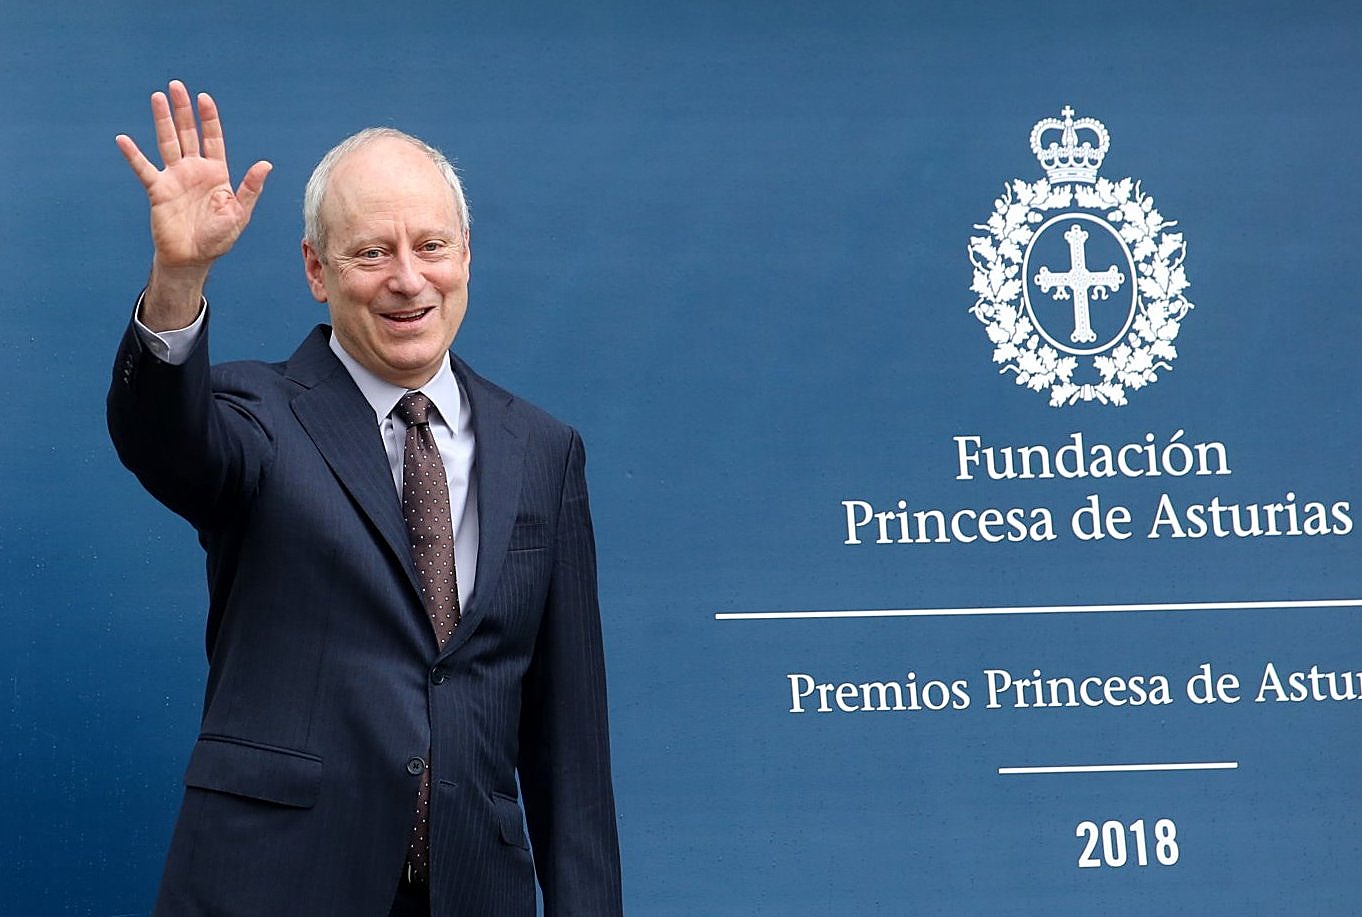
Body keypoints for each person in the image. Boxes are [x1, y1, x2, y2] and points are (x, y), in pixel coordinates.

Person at [108, 80, 623, 917]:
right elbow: (163, 437)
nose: (408, 279)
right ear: (317, 269)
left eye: (431, 245)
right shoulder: (255, 414)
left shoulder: (546, 450)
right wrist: (178, 279)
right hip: (271, 886)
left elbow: (571, 752)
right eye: (371, 252)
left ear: (467, 255)